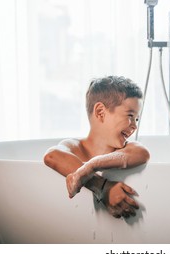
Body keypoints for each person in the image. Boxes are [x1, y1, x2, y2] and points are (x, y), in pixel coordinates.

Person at [44, 76, 150, 218]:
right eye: (130, 115)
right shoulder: (75, 146)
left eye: (137, 119)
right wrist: (102, 187)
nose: (135, 125)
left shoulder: (126, 148)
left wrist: (91, 166)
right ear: (100, 112)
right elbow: (52, 155)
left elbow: (142, 153)